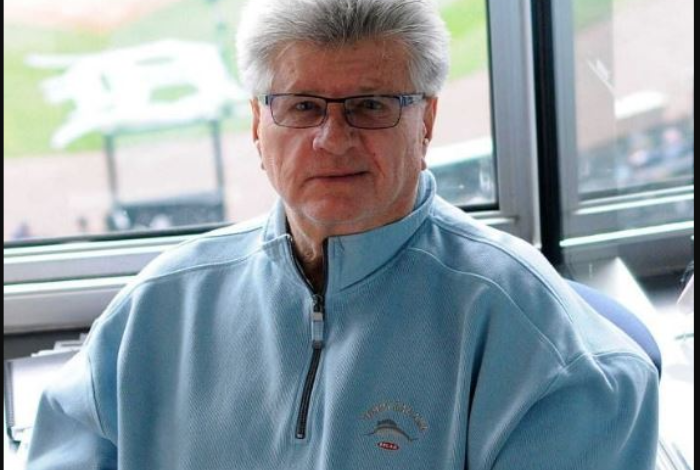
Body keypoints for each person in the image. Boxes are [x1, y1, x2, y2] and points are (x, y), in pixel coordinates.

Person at [26, 0, 659, 468]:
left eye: (371, 106)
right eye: (302, 106)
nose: (332, 139)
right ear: (257, 125)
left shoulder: (554, 359)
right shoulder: (155, 310)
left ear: (426, 121)